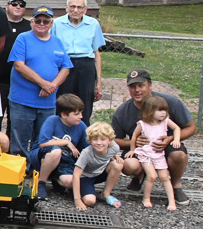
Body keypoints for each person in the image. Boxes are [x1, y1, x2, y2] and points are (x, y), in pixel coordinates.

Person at [111, 68, 194, 206]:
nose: (137, 90)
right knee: (128, 165)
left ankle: (176, 185)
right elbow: (114, 140)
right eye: (132, 86)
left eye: (141, 85)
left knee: (179, 155)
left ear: (150, 85)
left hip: (165, 145)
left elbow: (191, 127)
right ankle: (139, 176)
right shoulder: (122, 111)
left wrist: (170, 139)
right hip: (141, 149)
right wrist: (133, 142)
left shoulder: (168, 102)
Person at [7, 6, 73, 155]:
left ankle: (37, 170)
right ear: (32, 22)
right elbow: (19, 65)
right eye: (38, 20)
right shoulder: (22, 38)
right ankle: (20, 171)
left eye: (46, 21)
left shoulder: (58, 42)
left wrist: (52, 86)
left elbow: (66, 68)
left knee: (43, 141)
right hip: (22, 101)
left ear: (51, 24)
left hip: (47, 104)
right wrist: (43, 84)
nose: (41, 23)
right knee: (19, 141)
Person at [52, 0, 105, 124]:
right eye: (73, 7)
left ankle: (83, 134)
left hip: (85, 64)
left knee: (85, 101)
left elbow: (96, 52)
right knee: (63, 100)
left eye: (79, 7)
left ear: (85, 9)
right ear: (66, 8)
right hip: (64, 64)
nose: (76, 10)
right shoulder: (57, 24)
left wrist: (98, 82)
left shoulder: (93, 24)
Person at [126, 95, 181, 210]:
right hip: (145, 154)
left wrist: (176, 139)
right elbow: (134, 136)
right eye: (160, 110)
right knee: (152, 176)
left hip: (158, 154)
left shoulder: (165, 121)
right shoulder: (142, 124)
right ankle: (146, 198)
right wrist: (132, 149)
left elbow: (176, 128)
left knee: (165, 176)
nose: (163, 113)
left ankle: (172, 201)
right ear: (150, 111)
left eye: (165, 110)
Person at [30, 94, 88, 200]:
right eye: (76, 114)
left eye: (81, 113)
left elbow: (87, 147)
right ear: (64, 115)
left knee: (70, 183)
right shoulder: (52, 121)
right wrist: (66, 142)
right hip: (44, 156)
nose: (81, 116)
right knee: (56, 151)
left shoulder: (81, 126)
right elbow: (43, 143)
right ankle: (41, 183)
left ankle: (56, 178)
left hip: (64, 161)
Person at [72, 122, 124, 210]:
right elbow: (76, 175)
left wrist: (116, 157)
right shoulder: (86, 153)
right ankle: (78, 191)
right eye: (95, 139)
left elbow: (111, 154)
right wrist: (77, 200)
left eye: (103, 139)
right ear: (90, 140)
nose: (99, 143)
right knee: (90, 201)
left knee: (118, 164)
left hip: (99, 173)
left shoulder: (115, 148)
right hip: (85, 177)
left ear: (109, 140)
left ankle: (106, 194)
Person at [0, 0, 31, 132]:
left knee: (16, 120)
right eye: (14, 3)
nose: (18, 6)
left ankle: (12, 150)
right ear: (7, 6)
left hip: (21, 81)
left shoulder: (31, 27)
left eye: (21, 4)